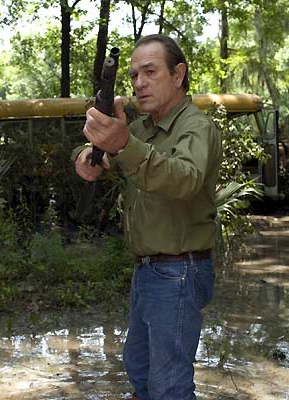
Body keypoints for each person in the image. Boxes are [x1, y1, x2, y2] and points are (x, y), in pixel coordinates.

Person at [72, 34, 222, 399]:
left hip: (180, 271)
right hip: (149, 270)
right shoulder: (143, 128)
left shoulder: (196, 127)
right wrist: (86, 154)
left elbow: (185, 178)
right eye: (134, 75)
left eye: (150, 72)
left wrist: (123, 144)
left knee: (168, 384)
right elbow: (105, 147)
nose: (139, 83)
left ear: (178, 75)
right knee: (138, 366)